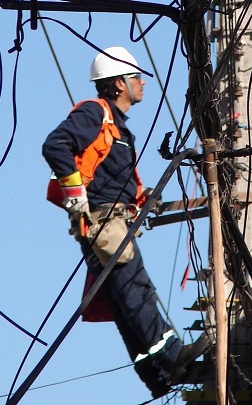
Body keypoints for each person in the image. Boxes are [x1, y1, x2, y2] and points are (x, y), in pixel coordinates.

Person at [42, 46, 210, 398]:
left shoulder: (117, 129)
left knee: (123, 301)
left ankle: (156, 374)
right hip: (104, 222)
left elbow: (111, 176)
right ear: (118, 84)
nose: (142, 83)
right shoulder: (94, 113)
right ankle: (171, 355)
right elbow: (56, 144)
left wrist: (141, 195)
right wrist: (75, 194)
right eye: (136, 77)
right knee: (136, 291)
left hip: (113, 218)